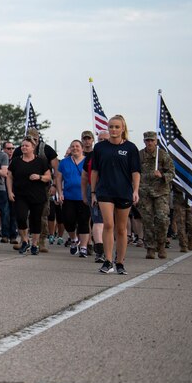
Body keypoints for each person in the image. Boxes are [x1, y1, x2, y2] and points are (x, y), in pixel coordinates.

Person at [90, 114, 141, 276]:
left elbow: (135, 172)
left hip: (124, 192)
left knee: (121, 228)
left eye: (117, 127)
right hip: (104, 191)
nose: (113, 129)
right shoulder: (100, 148)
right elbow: (94, 171)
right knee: (108, 224)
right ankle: (108, 260)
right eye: (111, 126)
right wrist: (93, 192)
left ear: (123, 128)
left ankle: (120, 262)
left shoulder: (131, 148)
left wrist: (135, 190)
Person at [7, 137, 53, 255]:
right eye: (22, 145)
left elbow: (48, 177)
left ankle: (35, 244)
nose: (24, 147)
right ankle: (24, 241)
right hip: (20, 194)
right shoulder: (16, 161)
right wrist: (10, 191)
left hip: (37, 195)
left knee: (35, 220)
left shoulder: (41, 161)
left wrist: (39, 177)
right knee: (21, 217)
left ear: (33, 148)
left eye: (26, 146)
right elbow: (9, 176)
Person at [137, 130, 175, 259]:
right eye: (147, 140)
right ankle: (150, 248)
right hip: (144, 192)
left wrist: (163, 175)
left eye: (152, 140)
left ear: (156, 141)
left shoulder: (163, 155)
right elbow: (134, 172)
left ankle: (161, 245)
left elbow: (172, 173)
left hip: (161, 193)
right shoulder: (140, 155)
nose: (149, 143)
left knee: (162, 220)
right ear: (144, 141)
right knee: (147, 221)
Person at [55, 139, 91, 257]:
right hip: (69, 197)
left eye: (77, 146)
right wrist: (60, 192)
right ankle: (74, 239)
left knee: (84, 222)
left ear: (82, 148)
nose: (75, 148)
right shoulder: (64, 162)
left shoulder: (88, 161)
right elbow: (59, 178)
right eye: (72, 146)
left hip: (84, 197)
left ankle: (84, 247)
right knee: (68, 221)